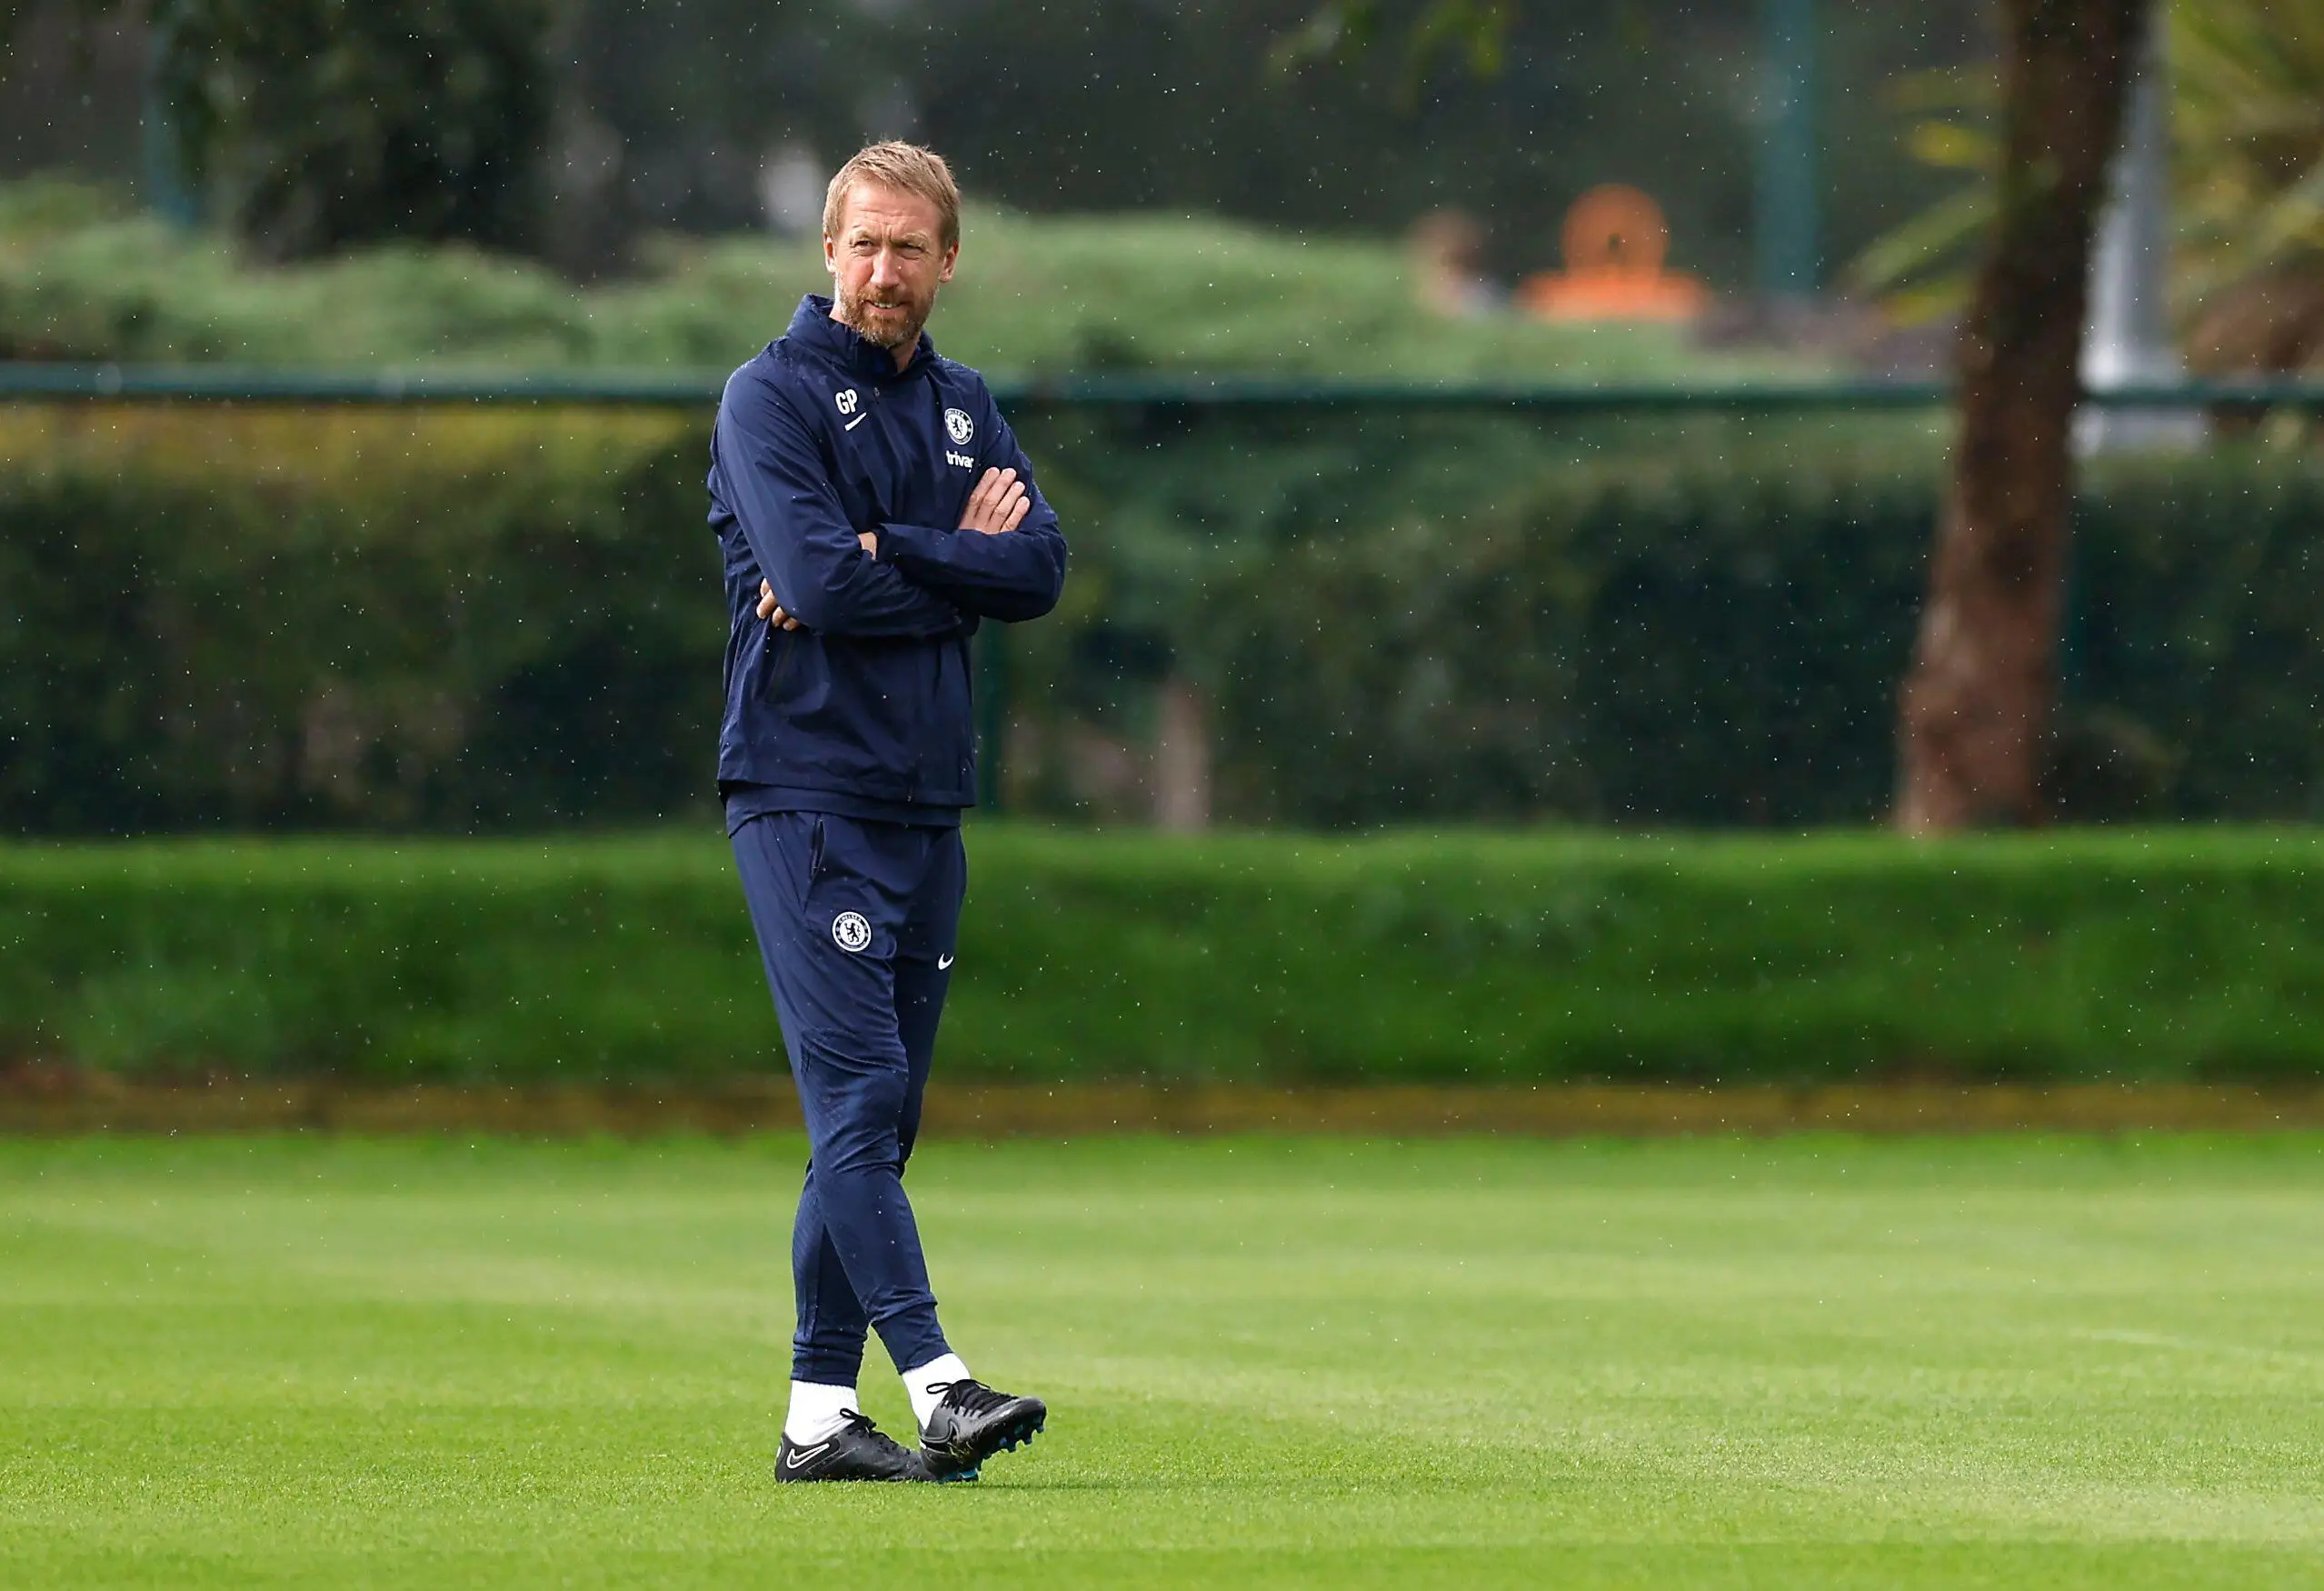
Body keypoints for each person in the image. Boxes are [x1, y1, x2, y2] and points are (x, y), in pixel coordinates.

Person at [709, 142, 1068, 1484]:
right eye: (863, 244)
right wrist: (947, 558)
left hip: (927, 800)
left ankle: (816, 1419)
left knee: (882, 1117)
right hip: (805, 792)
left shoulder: (968, 404)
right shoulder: (770, 397)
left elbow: (1038, 566)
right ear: (827, 249)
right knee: (856, 1095)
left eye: (910, 248)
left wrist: (900, 548)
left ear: (948, 261)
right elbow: (812, 576)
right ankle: (940, 1383)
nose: (884, 270)